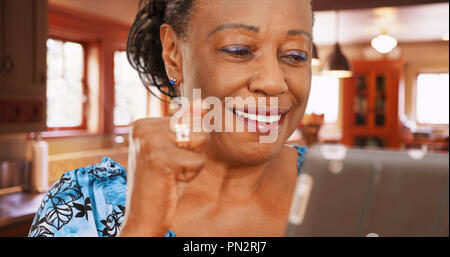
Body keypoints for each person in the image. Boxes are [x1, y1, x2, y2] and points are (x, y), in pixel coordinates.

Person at [28, 0, 313, 237]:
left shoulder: (335, 187)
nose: (275, 83)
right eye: (238, 50)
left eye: (296, 55)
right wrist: (141, 229)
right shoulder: (83, 204)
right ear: (174, 54)